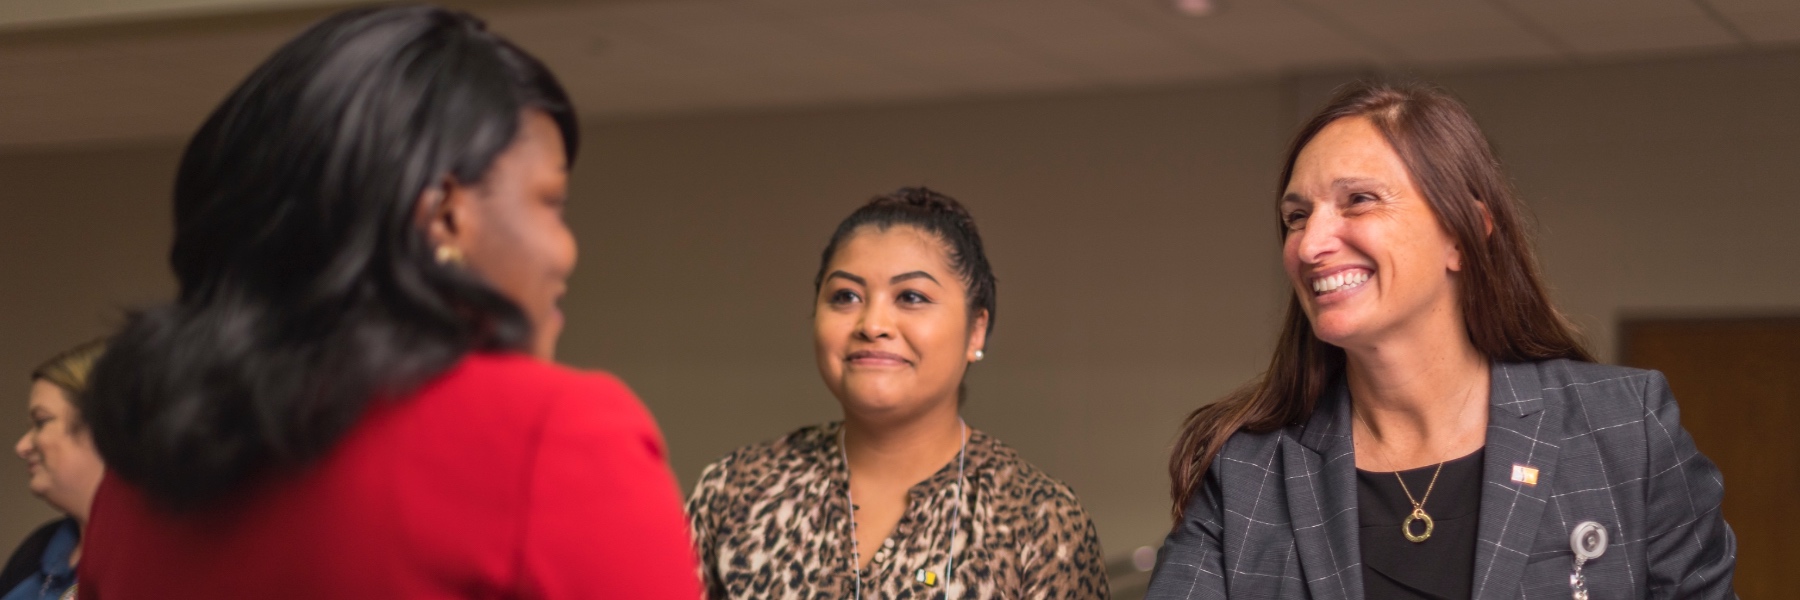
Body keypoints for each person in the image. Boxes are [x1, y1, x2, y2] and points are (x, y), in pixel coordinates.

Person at [72, 6, 698, 599]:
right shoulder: (555, 438)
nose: (567, 251)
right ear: (444, 215)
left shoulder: (140, 475)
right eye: (551, 202)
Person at [1147, 81, 1736, 600]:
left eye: (1359, 201)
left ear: (1463, 233)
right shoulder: (1247, 470)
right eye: (1297, 216)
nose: (1309, 243)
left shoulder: (1624, 428)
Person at [686, 188, 1109, 599]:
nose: (872, 324)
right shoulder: (735, 491)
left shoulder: (1038, 519)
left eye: (911, 297)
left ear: (975, 330)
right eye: (846, 296)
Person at [3, 340, 106, 600]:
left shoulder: (161, 559)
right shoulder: (37, 550)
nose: (22, 446)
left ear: (105, 428)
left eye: (41, 422)